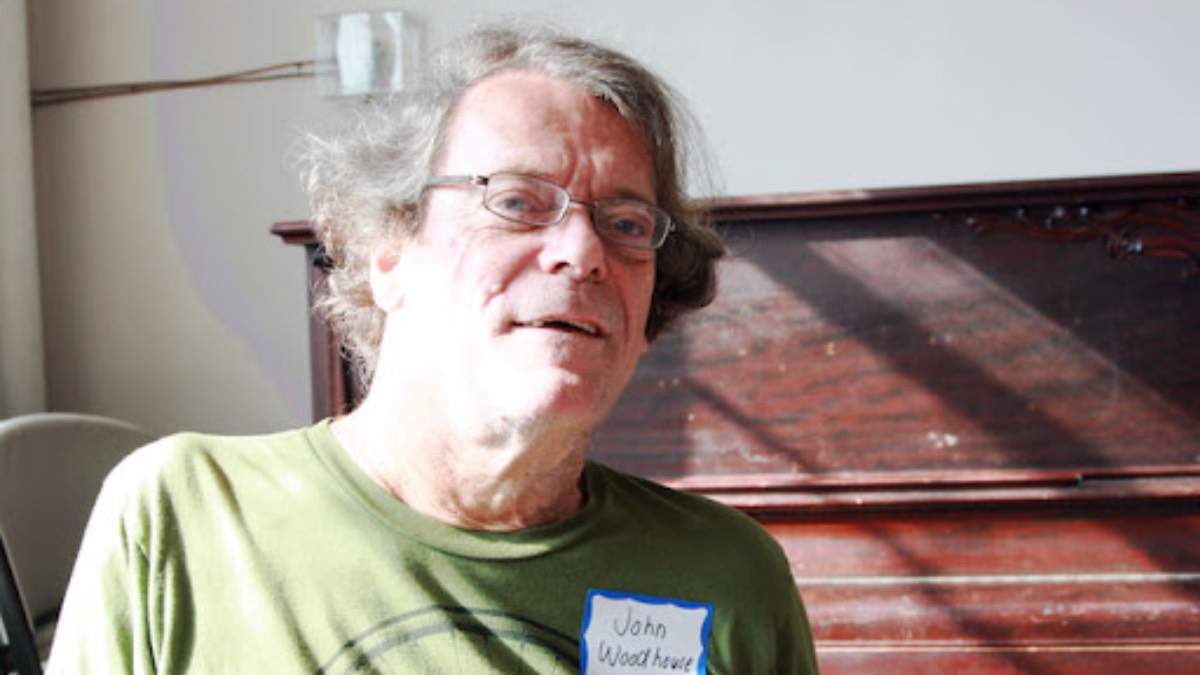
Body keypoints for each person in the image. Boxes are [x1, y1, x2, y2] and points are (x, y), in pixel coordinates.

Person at [48, 24, 819, 674]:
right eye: (517, 202)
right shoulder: (184, 514)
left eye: (625, 223)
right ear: (388, 253)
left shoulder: (728, 578)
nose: (584, 252)